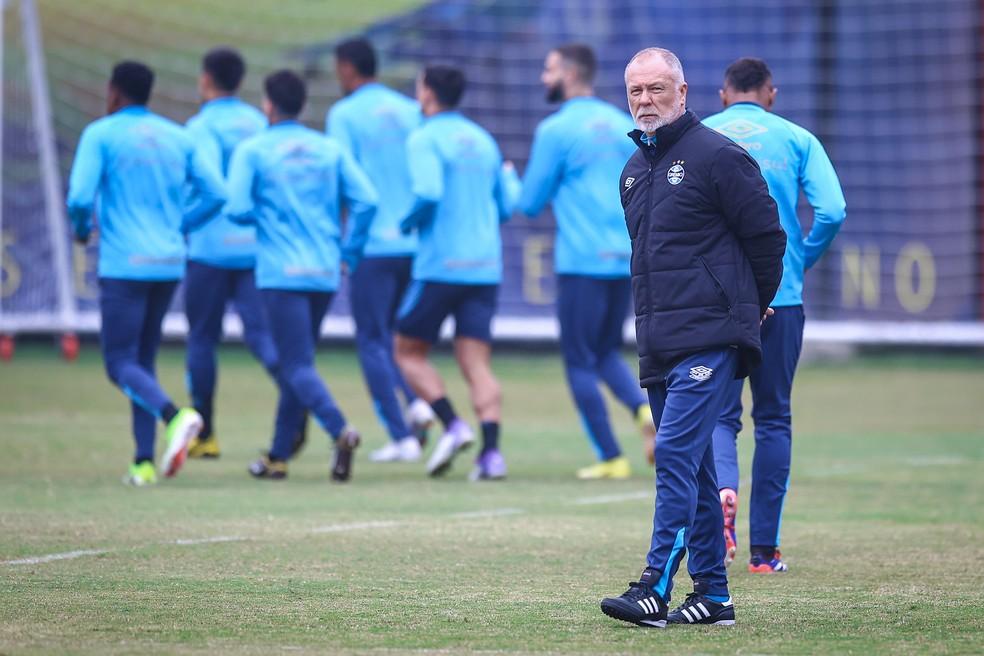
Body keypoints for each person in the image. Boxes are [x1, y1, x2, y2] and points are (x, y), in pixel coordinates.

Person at [599, 48, 785, 628]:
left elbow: (767, 238)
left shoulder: (719, 156)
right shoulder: (632, 170)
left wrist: (748, 310)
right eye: (636, 91)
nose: (646, 101)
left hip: (712, 336)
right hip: (659, 340)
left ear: (684, 92)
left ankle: (655, 584)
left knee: (674, 453)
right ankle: (713, 596)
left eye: (657, 89)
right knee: (699, 469)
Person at [703, 57, 846, 572]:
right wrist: (802, 257)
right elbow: (833, 210)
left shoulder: (700, 134)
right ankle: (765, 550)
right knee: (774, 418)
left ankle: (721, 497)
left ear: (723, 95)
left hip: (716, 299)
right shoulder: (797, 137)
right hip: (780, 295)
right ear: (771, 94)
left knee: (717, 414)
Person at [66, 60, 227, 486]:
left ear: (113, 92)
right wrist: (181, 226)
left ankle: (177, 417)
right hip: (169, 262)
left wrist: (82, 232)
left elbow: (80, 198)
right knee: (142, 363)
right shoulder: (179, 136)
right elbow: (217, 193)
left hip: (125, 265)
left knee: (119, 363)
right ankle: (143, 462)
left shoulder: (101, 134)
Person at [225, 69, 377, 482]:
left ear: (268, 105)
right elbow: (367, 201)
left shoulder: (253, 150)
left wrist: (268, 214)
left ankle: (339, 429)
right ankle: (277, 456)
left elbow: (235, 207)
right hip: (324, 271)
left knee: (294, 364)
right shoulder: (329, 149)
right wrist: (351, 250)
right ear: (303, 106)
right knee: (300, 362)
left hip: (280, 273)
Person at [516, 44, 656, 481]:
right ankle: (642, 411)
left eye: (548, 68)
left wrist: (505, 182)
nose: (543, 77)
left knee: (578, 359)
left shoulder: (556, 130)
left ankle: (611, 456)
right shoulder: (623, 124)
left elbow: (531, 201)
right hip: (624, 259)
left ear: (570, 74)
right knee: (603, 352)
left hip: (581, 262)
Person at [393, 65, 518, 480]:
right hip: (484, 267)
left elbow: (427, 192)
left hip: (440, 265)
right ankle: (492, 455)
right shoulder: (482, 140)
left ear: (426, 93)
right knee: (476, 364)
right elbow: (504, 206)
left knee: (407, 352)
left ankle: (452, 424)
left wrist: (407, 222)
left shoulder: (423, 137)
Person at [183, 47, 300, 460]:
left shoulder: (201, 126)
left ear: (206, 79)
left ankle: (206, 434)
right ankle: (297, 395)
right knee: (263, 338)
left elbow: (213, 184)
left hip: (210, 249)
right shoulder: (258, 121)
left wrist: (186, 222)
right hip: (254, 248)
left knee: (201, 340)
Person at [327, 37, 435, 463]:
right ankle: (420, 404)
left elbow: (344, 184)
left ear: (348, 68)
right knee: (401, 342)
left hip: (372, 245)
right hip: (412, 244)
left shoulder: (344, 114)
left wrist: (345, 247)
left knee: (372, 340)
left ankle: (402, 434)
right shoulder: (411, 110)